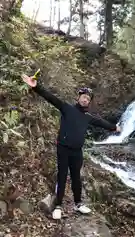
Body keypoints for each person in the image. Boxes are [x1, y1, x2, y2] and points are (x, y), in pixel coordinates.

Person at [21, 74, 121, 220]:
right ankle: (58, 206)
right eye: (83, 97)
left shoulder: (87, 117)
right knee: (62, 176)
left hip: (77, 151)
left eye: (88, 99)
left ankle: (78, 204)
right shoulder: (67, 108)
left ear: (89, 102)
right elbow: (51, 98)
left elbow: (101, 123)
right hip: (63, 148)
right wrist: (36, 87)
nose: (85, 99)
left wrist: (114, 128)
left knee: (76, 178)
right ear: (78, 97)